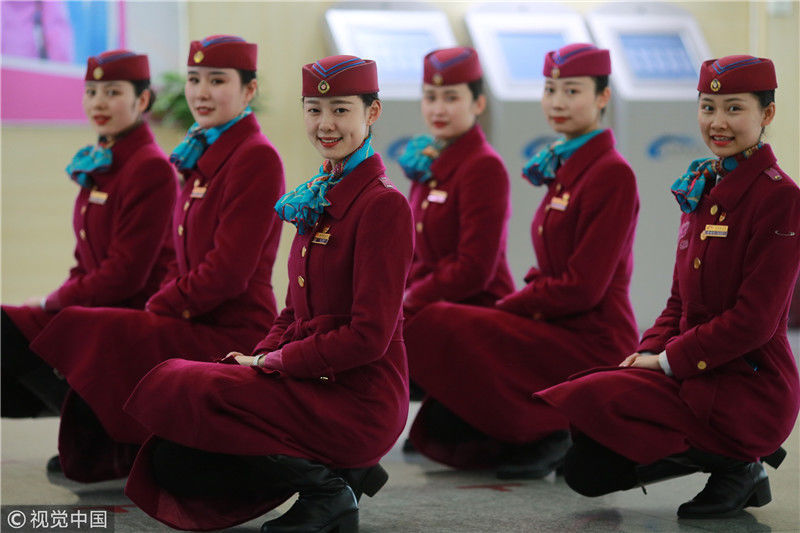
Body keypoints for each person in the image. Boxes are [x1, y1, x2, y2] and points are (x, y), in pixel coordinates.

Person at [122, 54, 414, 533]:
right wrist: (254, 362)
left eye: (341, 110)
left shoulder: (383, 206)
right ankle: (341, 475)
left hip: (360, 397)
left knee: (190, 385)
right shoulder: (319, 196)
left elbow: (369, 337)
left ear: (372, 113)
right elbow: (290, 311)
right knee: (175, 456)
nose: (325, 124)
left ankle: (329, 492)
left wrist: (273, 363)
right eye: (314, 110)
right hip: (311, 381)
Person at [535, 54, 800, 518]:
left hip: (749, 385)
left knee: (595, 432)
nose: (718, 122)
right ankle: (728, 458)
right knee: (587, 460)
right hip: (693, 371)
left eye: (734, 109)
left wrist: (666, 362)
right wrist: (646, 353)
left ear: (767, 113)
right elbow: (679, 300)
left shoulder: (780, 197)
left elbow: (754, 321)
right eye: (708, 108)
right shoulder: (703, 187)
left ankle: (739, 464)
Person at [16, 35, 286, 482]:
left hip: (232, 326)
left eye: (217, 80)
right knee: (80, 328)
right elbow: (179, 259)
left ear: (249, 90)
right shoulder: (204, 155)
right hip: (193, 315)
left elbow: (227, 273)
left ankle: (115, 443)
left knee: (87, 328)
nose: (201, 92)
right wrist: (163, 303)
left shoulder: (255, 157)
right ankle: (110, 441)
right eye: (194, 80)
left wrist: (159, 306)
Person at [403, 43, 640, 478]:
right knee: (436, 404)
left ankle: (547, 431)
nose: (557, 102)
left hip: (593, 334)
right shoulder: (567, 167)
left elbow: (582, 288)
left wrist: (509, 305)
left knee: (431, 323)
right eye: (550, 90)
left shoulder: (611, 173)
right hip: (554, 319)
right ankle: (502, 425)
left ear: (603, 97)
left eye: (572, 91)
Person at [2, 49, 176, 419]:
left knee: (7, 332)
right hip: (97, 304)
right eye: (91, 92)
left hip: (131, 309)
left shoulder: (150, 167)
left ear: (143, 99)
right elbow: (85, 263)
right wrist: (57, 299)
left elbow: (125, 275)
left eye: (113, 92)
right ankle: (87, 421)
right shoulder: (100, 163)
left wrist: (51, 302)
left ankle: (93, 422)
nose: (98, 103)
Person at [399, 46, 513, 317]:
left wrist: (409, 298)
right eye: (430, 97)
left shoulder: (484, 166)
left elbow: (473, 269)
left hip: (472, 309)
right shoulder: (429, 159)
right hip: (427, 304)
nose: (438, 110)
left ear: (478, 104)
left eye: (451, 98)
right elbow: (413, 253)